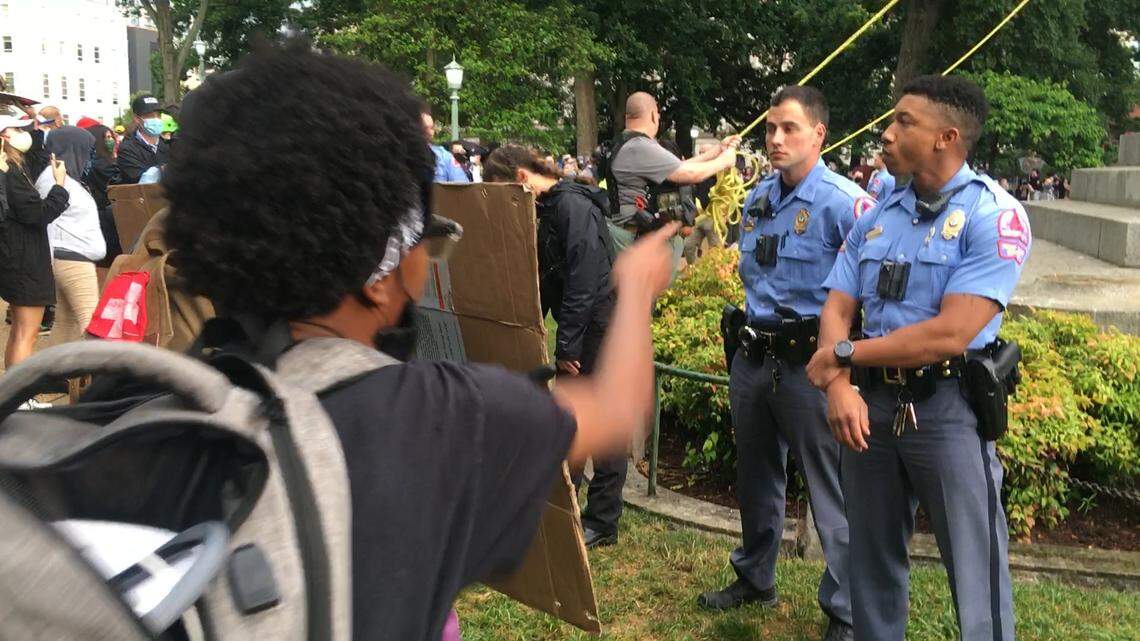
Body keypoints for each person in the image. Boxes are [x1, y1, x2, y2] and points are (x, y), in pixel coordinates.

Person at [161, 43, 678, 641]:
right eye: (430, 242)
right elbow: (615, 409)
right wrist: (636, 286)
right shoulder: (440, 419)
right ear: (381, 276)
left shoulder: (152, 408)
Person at [806, 74, 1028, 641]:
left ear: (945, 137)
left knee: (975, 568)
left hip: (948, 408)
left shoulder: (993, 216)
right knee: (870, 559)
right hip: (870, 410)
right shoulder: (879, 213)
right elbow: (836, 305)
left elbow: (950, 334)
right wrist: (839, 386)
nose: (886, 131)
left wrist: (845, 356)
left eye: (904, 121)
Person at [696, 86, 864, 641]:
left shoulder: (844, 203)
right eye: (771, 129)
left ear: (819, 134)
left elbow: (865, 291)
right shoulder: (760, 197)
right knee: (756, 476)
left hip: (809, 368)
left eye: (789, 128)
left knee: (830, 489)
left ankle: (844, 608)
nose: (774, 139)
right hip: (753, 356)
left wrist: (844, 367)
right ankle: (755, 576)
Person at [484, 145, 621, 548]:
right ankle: (570, 510)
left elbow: (584, 280)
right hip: (588, 326)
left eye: (502, 190)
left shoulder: (570, 208)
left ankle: (599, 519)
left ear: (521, 178)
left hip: (603, 327)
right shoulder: (548, 209)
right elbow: (547, 278)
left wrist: (569, 349)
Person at [605, 92, 739, 255]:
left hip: (626, 234)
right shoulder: (639, 146)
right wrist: (725, 161)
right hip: (632, 240)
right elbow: (688, 173)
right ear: (654, 115)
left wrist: (718, 150)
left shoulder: (626, 142)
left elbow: (677, 167)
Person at [0, 114, 69, 371]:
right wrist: (59, 187)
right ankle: (20, 398)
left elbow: (37, 148)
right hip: (24, 257)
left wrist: (35, 126)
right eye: (15, 128)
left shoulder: (13, 167)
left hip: (17, 255)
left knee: (20, 330)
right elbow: (37, 214)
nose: (23, 132)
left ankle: (14, 395)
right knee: (26, 333)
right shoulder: (10, 172)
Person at [36, 125, 106, 344]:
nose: (90, 157)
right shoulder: (56, 179)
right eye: (88, 150)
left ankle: (57, 376)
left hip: (69, 257)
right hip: (72, 259)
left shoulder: (63, 177)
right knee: (91, 323)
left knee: (66, 323)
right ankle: (99, 375)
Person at [82, 122, 123, 260]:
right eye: (106, 137)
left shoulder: (106, 161)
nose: (110, 140)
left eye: (111, 137)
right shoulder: (102, 164)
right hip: (106, 213)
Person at [682, 142, 725, 264]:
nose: (701, 155)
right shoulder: (697, 171)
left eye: (704, 152)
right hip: (698, 217)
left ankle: (717, 277)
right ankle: (694, 272)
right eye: (700, 152)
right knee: (688, 245)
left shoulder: (719, 172)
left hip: (714, 218)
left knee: (716, 251)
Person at [116, 94, 169, 184]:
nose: (156, 119)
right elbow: (138, 179)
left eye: (158, 115)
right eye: (150, 116)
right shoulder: (127, 149)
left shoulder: (169, 145)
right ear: (137, 118)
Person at [420, 107, 469, 183]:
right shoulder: (399, 156)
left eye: (432, 128)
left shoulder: (443, 157)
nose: (430, 133)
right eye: (425, 128)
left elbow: (463, 188)